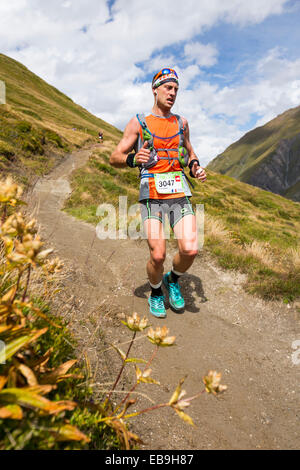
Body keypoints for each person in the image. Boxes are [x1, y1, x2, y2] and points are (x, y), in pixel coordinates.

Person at [110, 68, 207, 318]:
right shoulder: (138, 122)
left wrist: (195, 167)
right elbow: (115, 157)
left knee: (190, 249)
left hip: (178, 193)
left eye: (176, 89)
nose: (172, 93)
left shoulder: (181, 123)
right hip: (152, 194)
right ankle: (155, 291)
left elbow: (189, 152)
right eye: (168, 88)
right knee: (158, 253)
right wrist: (132, 159)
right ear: (155, 89)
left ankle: (172, 280)